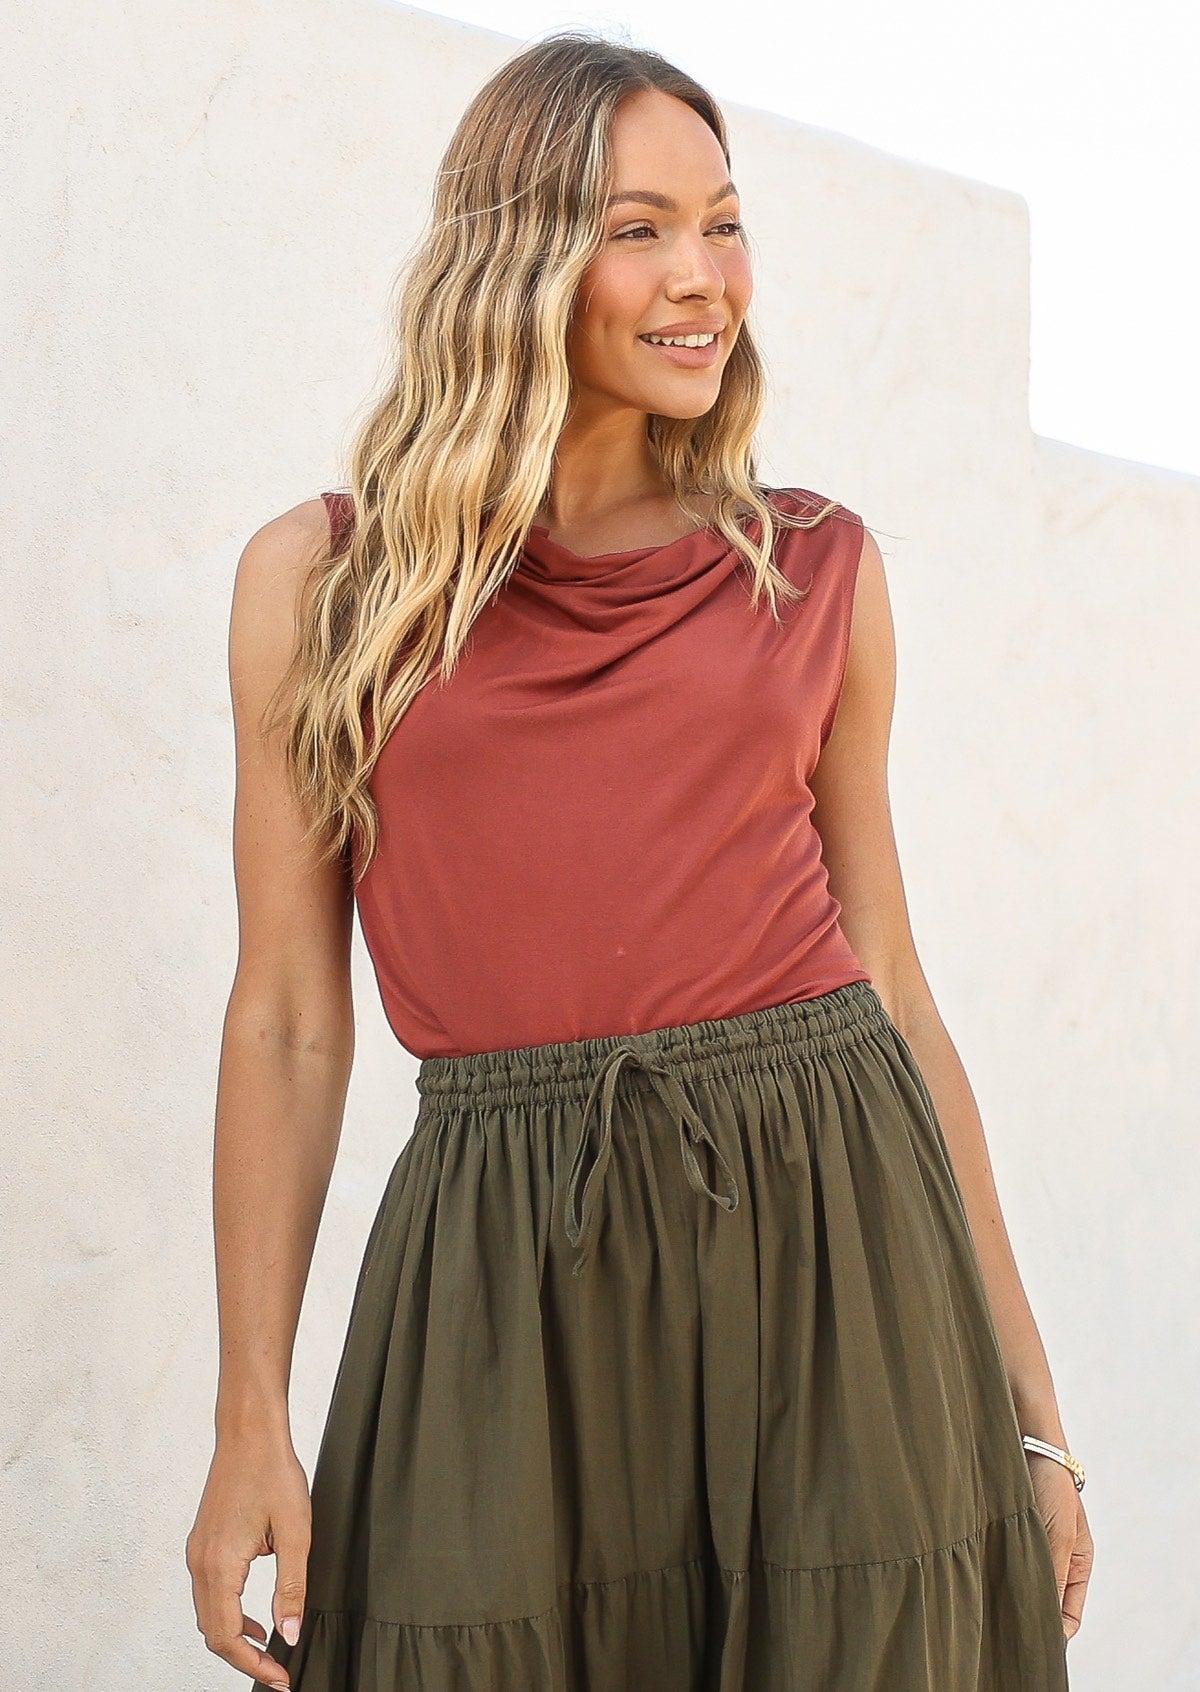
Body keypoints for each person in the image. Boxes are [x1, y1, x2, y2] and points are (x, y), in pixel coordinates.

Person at [185, 28, 1093, 1692]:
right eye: (639, 229)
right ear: (517, 257)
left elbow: (891, 982)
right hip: (501, 1263)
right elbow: (291, 1020)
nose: (703, 277)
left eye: (725, 223)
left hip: (834, 1241)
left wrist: (1031, 1407)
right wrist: (252, 1410)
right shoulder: (322, 587)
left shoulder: (810, 568)